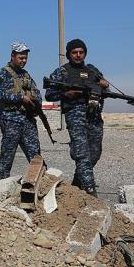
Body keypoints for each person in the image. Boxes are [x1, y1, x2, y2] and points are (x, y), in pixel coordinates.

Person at [45, 39, 108, 196]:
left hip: (93, 114)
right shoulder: (62, 72)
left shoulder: (92, 71)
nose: (78, 55)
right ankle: (90, 190)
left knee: (95, 152)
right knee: (82, 153)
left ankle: (77, 182)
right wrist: (65, 94)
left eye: (81, 52)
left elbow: (102, 91)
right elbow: (49, 94)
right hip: (75, 113)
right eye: (74, 52)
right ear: (68, 54)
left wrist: (103, 86)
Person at [0, 41, 42, 179]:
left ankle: (40, 184)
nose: (24, 61)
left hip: (27, 120)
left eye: (26, 58)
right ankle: (2, 186)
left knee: (36, 156)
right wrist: (20, 98)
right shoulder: (2, 74)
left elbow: (37, 92)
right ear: (12, 55)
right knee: (7, 157)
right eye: (21, 58)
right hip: (10, 121)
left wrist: (34, 99)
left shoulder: (26, 75)